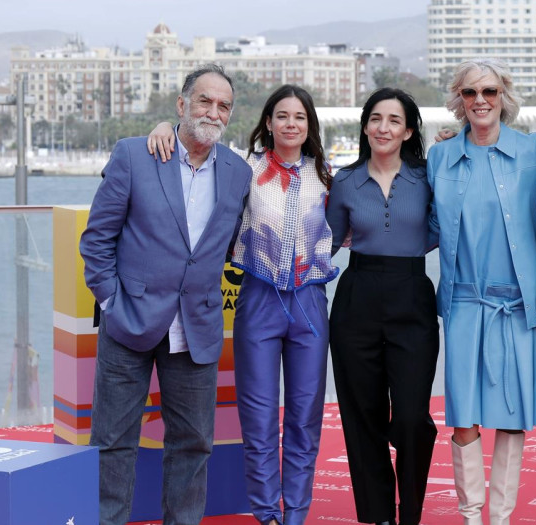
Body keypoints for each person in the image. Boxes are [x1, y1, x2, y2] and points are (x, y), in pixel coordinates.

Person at [149, 84, 336, 525]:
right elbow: (193, 155)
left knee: (306, 417)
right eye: (282, 116)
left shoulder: (331, 175)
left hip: (310, 303)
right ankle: (267, 512)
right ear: (267, 123)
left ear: (309, 125)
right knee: (258, 416)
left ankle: (297, 514)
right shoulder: (241, 169)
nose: (291, 124)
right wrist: (162, 127)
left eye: (300, 117)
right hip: (258, 299)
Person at [80, 64, 252, 525]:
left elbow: (233, 240)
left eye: (223, 106)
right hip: (128, 323)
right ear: (181, 106)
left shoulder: (238, 172)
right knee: (113, 443)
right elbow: (97, 240)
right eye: (204, 101)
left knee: (193, 445)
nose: (213, 113)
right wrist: (111, 301)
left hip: (196, 329)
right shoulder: (136, 155)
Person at [426, 59, 536, 525]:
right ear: (458, 99)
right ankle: (472, 515)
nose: (481, 100)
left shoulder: (533, 149)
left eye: (490, 91)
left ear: (504, 96)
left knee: (512, 418)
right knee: (463, 417)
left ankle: (500, 518)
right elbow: (426, 223)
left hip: (516, 307)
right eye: (470, 92)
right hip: (462, 305)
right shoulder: (440, 156)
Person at [326, 88, 439, 525]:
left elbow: (438, 230)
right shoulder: (345, 180)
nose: (383, 127)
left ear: (409, 130)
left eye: (394, 120)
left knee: (411, 417)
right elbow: (329, 244)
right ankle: (380, 516)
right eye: (375, 118)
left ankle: (410, 512)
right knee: (363, 415)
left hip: (412, 293)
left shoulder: (429, 177)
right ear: (365, 126)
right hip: (356, 298)